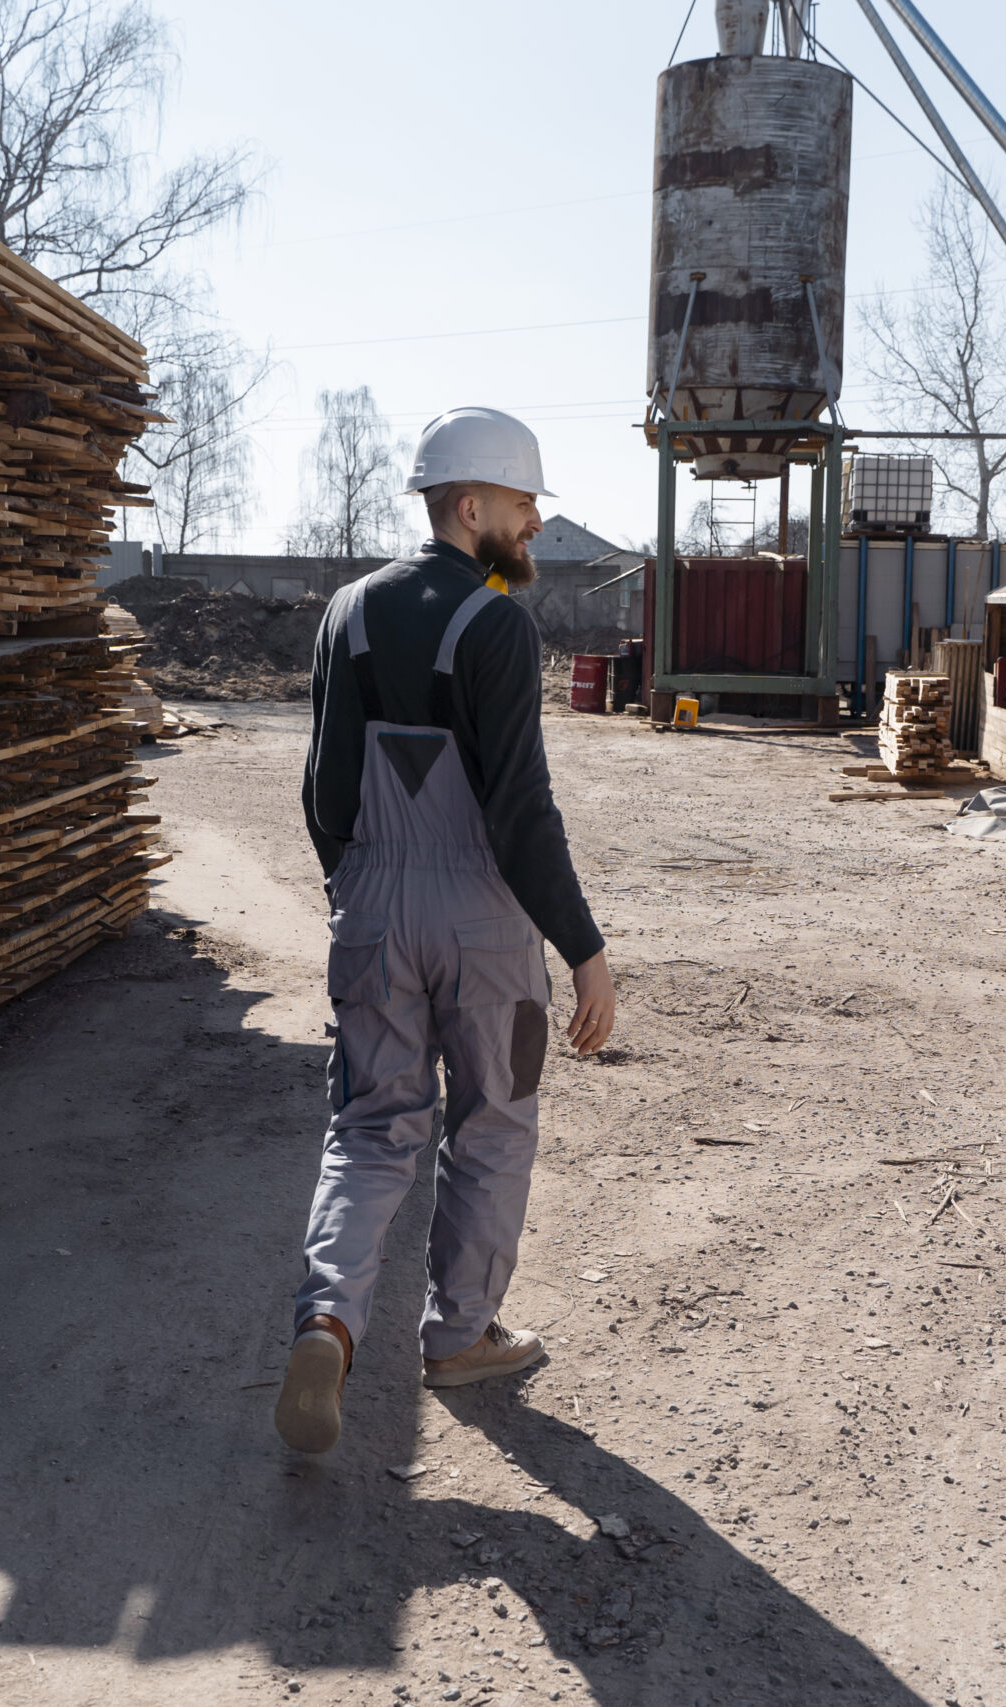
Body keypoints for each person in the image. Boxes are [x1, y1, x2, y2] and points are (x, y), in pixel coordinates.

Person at [274, 407, 618, 1454]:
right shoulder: (501, 623)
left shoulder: (346, 613)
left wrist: (362, 889)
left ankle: (329, 1318)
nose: (534, 526)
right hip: (481, 923)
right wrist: (583, 948)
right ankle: (460, 1335)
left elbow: (324, 789)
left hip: (372, 906)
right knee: (492, 1125)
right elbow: (520, 813)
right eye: (522, 506)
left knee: (371, 1128)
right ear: (469, 507)